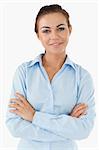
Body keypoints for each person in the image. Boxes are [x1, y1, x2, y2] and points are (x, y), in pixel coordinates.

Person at [6, 4, 95, 150]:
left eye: (60, 28)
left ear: (70, 30)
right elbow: (14, 125)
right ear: (38, 35)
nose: (54, 36)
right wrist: (67, 127)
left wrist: (34, 116)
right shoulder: (24, 72)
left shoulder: (82, 77)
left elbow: (83, 129)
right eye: (46, 31)